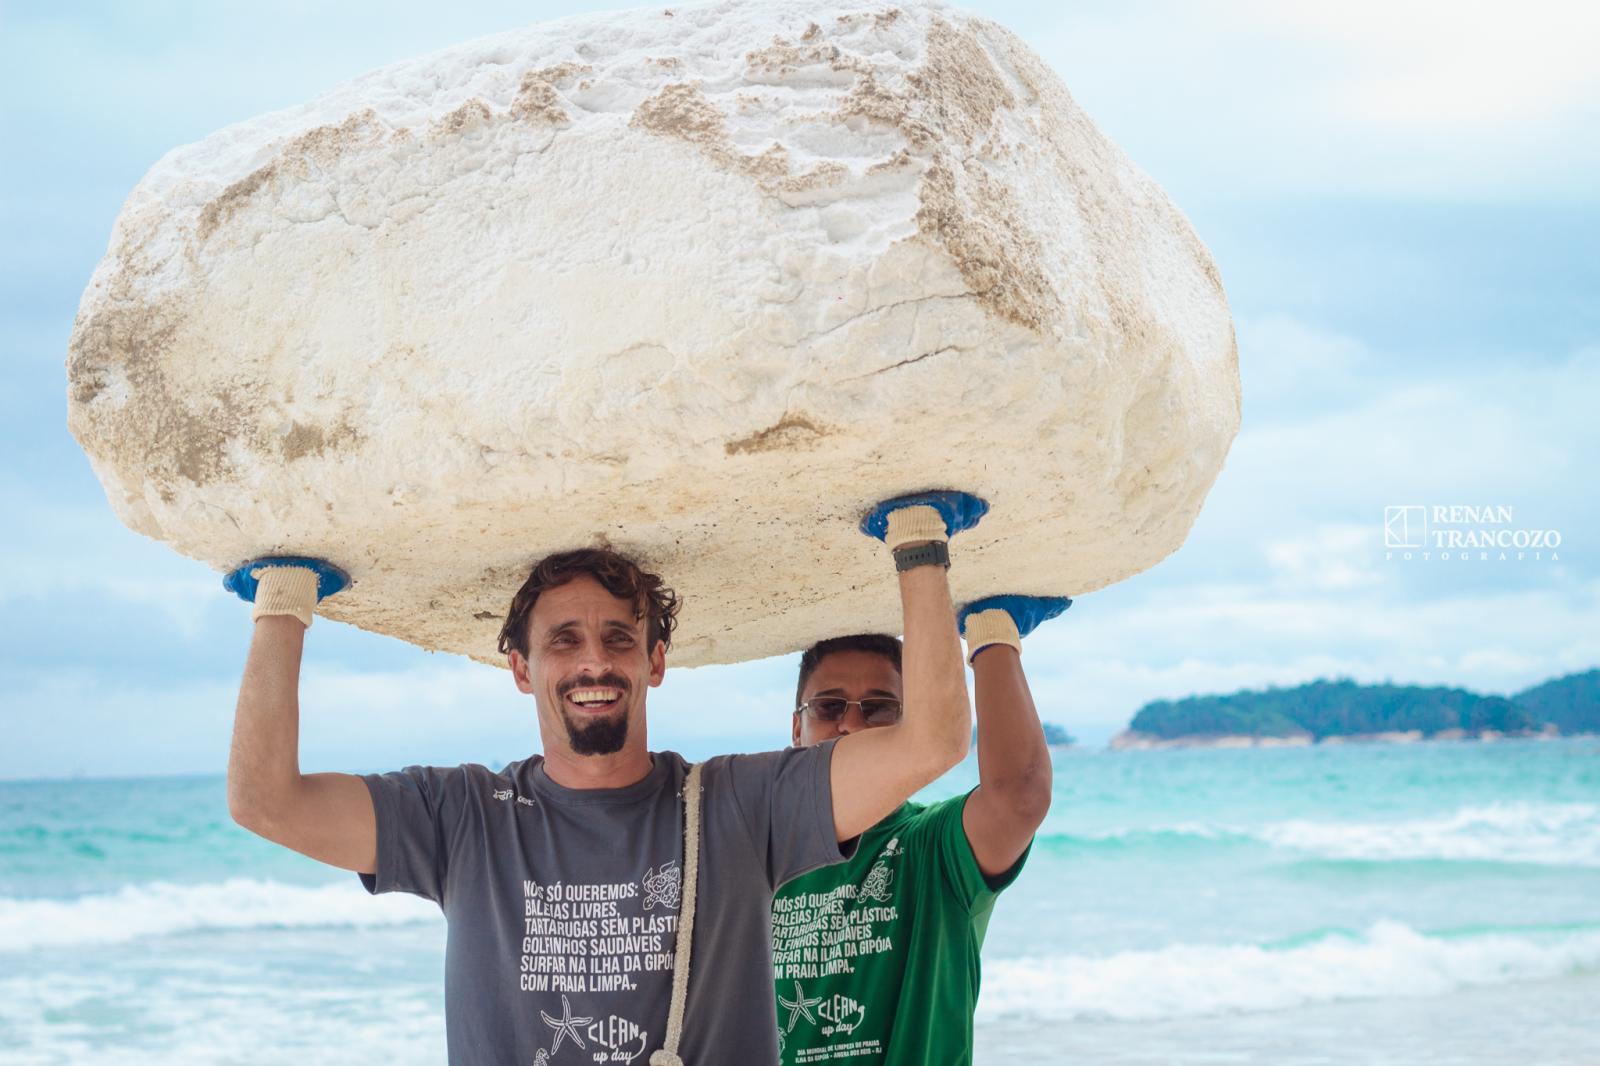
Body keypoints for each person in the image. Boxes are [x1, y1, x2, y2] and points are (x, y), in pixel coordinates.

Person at [225, 493, 982, 1065]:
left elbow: (933, 739)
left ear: (653, 661)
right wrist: (286, 599)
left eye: (620, 637)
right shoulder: (460, 816)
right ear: (522, 669)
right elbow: (265, 800)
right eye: (564, 641)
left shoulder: (741, 805)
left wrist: (917, 538)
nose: (594, 662)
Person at [771, 594, 1069, 1065]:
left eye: (879, 708)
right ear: (796, 729)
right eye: (828, 706)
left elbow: (1020, 797)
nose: (850, 724)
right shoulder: (754, 858)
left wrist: (991, 633)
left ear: (913, 727)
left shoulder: (931, 847)